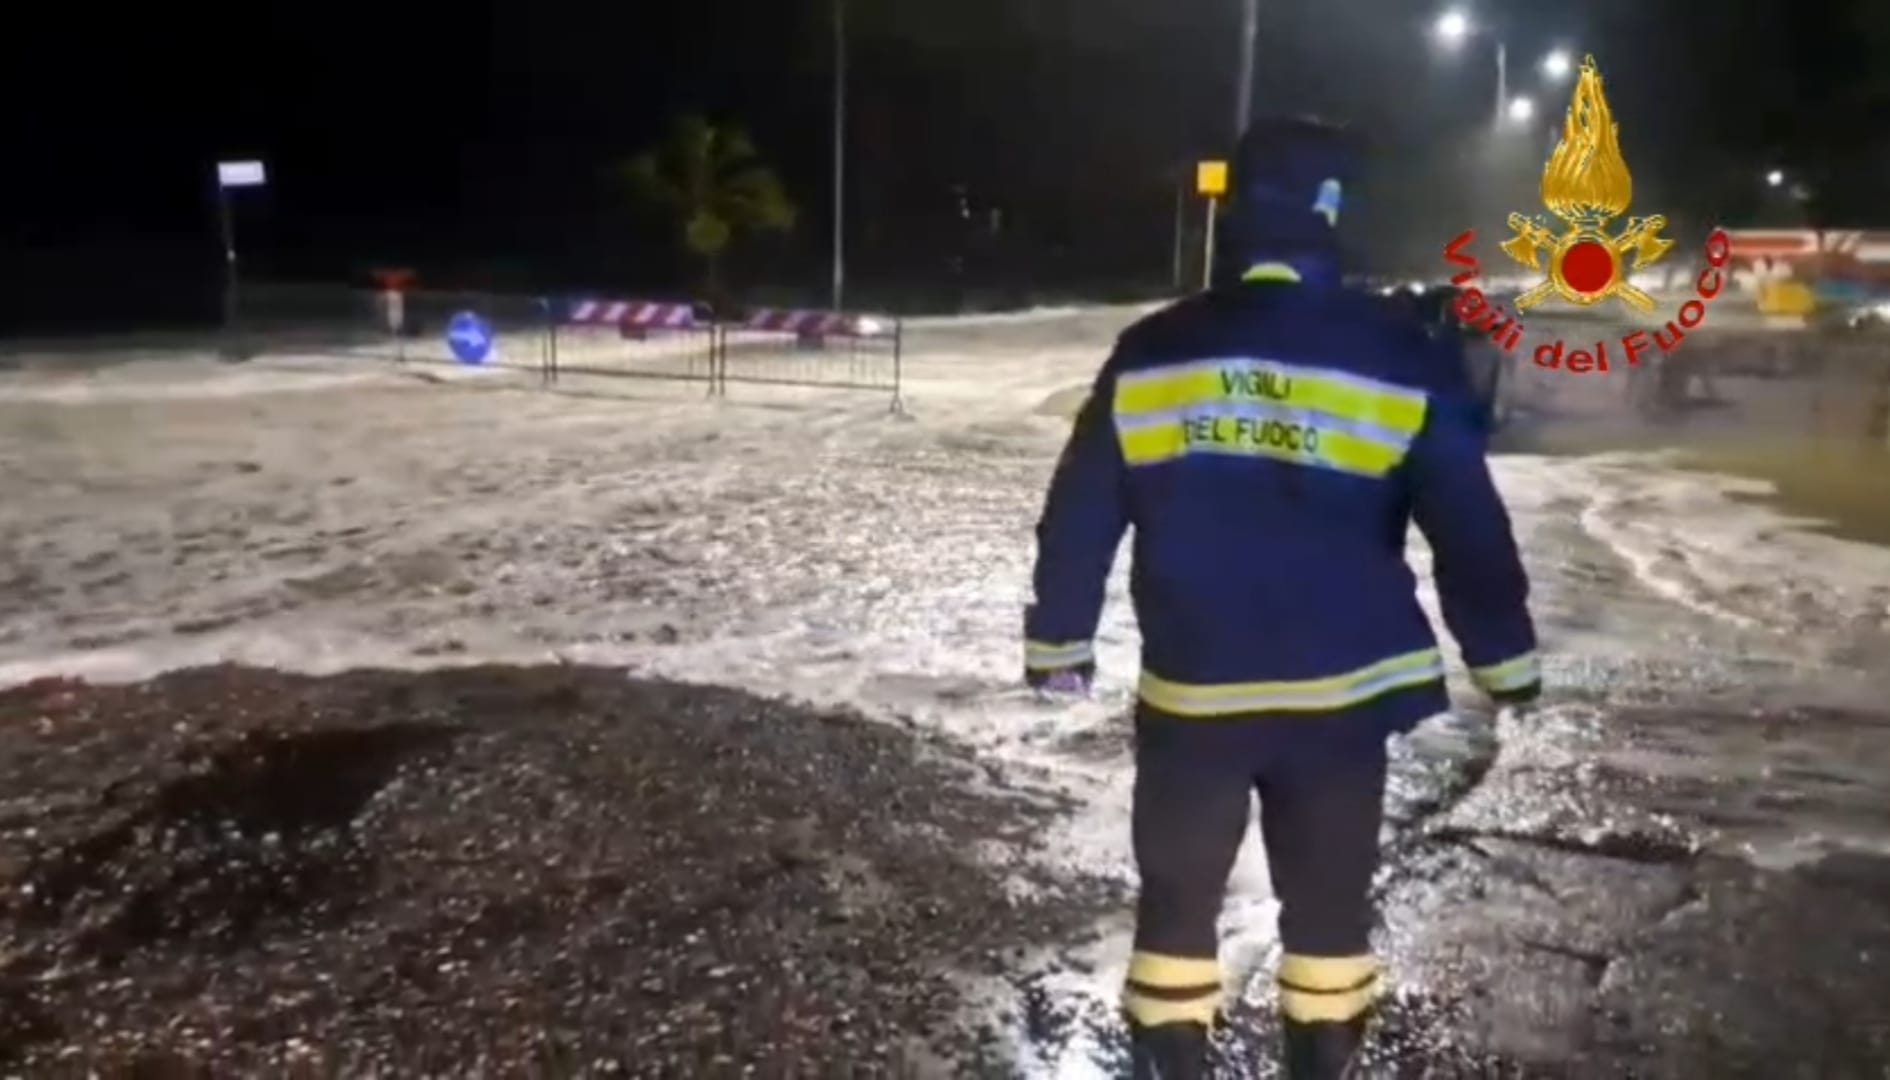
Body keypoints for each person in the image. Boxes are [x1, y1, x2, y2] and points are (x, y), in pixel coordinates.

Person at [1021, 116, 1541, 1079]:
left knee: (1175, 910)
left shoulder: (1152, 350)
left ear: (1233, 220)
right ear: (1335, 218)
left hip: (1196, 696)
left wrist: (1060, 642)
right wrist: (1504, 658)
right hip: (1340, 701)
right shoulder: (1397, 355)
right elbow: (1469, 524)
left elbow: (1080, 511)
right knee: (1331, 917)